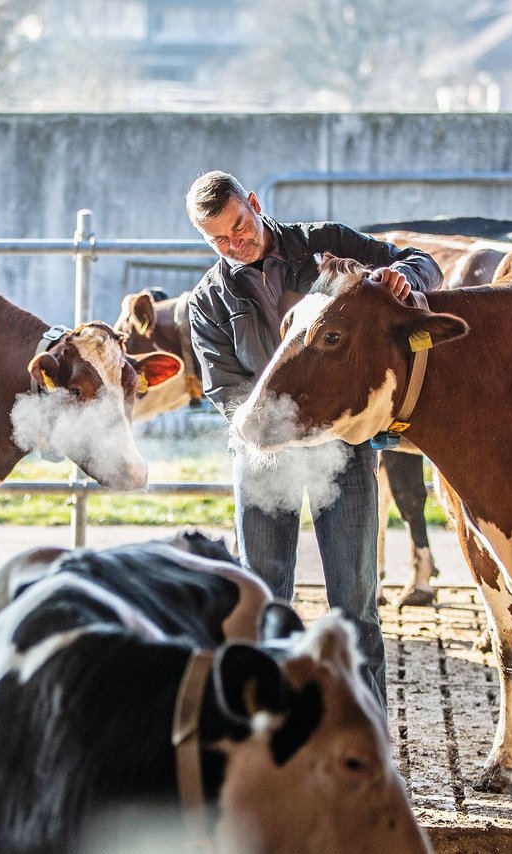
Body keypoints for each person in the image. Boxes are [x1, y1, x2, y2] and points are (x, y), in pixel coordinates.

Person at [184, 171, 443, 709]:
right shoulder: (209, 299)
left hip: (340, 445)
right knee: (263, 598)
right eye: (220, 241)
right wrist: (263, 429)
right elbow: (224, 389)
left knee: (354, 603)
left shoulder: (327, 242)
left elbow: (423, 262)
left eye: (240, 227)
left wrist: (401, 280)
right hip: (263, 454)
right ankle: (265, 726)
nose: (236, 244)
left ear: (254, 204)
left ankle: (368, 727)